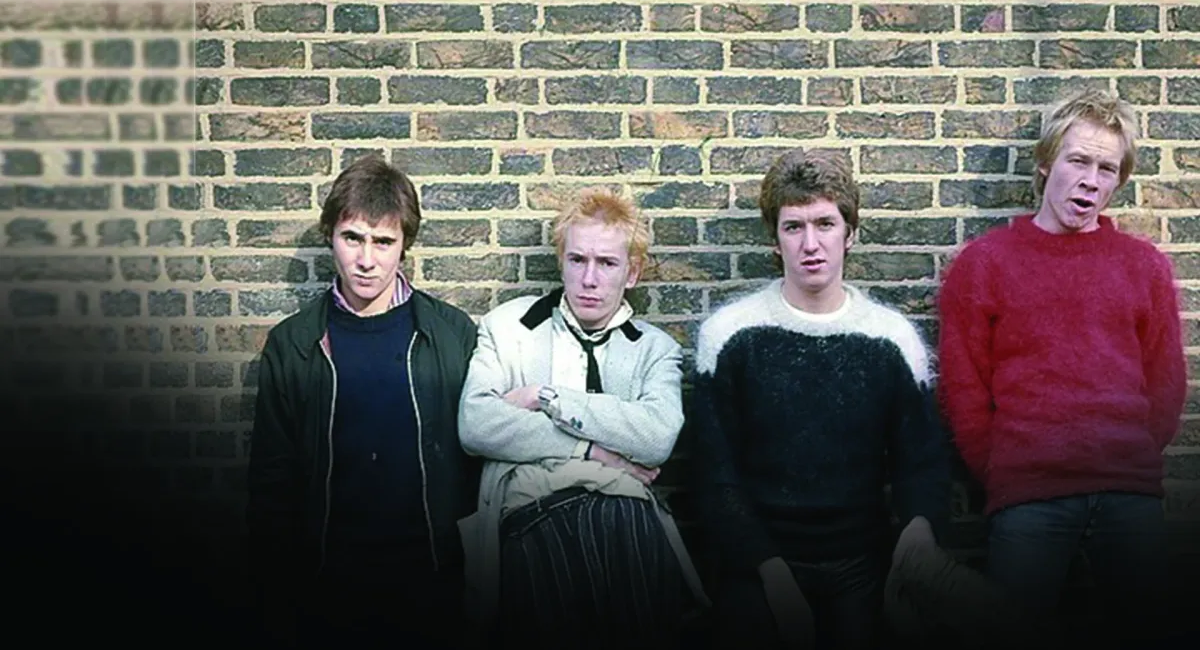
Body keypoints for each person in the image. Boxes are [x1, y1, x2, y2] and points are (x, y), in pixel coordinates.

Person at [937, 89, 1187, 648]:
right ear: (1047, 162)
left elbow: (1166, 382)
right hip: (1029, 494)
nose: (1090, 181)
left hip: (1127, 491)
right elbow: (963, 384)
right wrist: (1003, 465)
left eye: (1106, 169)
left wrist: (1126, 451)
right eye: (1078, 161)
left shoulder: (1143, 266)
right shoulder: (986, 264)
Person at [690, 149, 951, 649]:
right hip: (758, 559)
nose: (811, 245)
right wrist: (769, 570)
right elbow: (714, 474)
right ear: (775, 239)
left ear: (850, 233)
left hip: (862, 562)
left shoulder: (892, 339)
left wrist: (918, 534)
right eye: (794, 227)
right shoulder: (729, 335)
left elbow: (922, 464)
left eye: (825, 224)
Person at [456, 190, 708, 648]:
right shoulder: (508, 328)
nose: (589, 279)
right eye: (577, 260)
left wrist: (547, 397)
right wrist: (593, 451)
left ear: (632, 272)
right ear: (561, 261)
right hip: (533, 517)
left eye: (607, 263)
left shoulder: (655, 350)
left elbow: (656, 437)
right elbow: (476, 424)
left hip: (625, 521)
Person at [246, 155, 480, 647]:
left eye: (383, 242)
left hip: (433, 581)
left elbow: (476, 463)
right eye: (352, 238)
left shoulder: (451, 334)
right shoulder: (294, 344)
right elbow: (272, 483)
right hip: (327, 586)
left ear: (404, 245)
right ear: (330, 236)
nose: (366, 259)